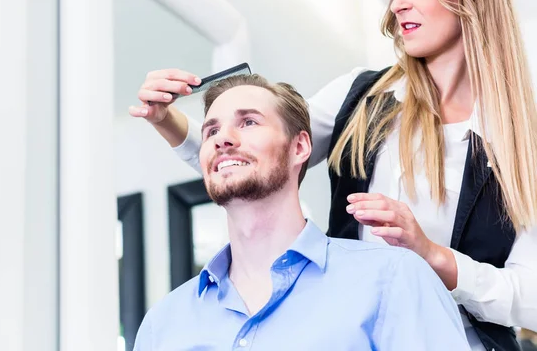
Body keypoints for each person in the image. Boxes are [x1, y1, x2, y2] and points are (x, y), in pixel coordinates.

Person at [130, 0, 537, 349]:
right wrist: (166, 120)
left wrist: (434, 257)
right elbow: (256, 152)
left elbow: (531, 302)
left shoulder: (523, 140)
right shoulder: (359, 97)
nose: (397, 4)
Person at [133, 75, 470, 351]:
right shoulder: (163, 324)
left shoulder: (393, 279)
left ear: (300, 147)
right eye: (211, 131)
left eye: (248, 122)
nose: (223, 139)